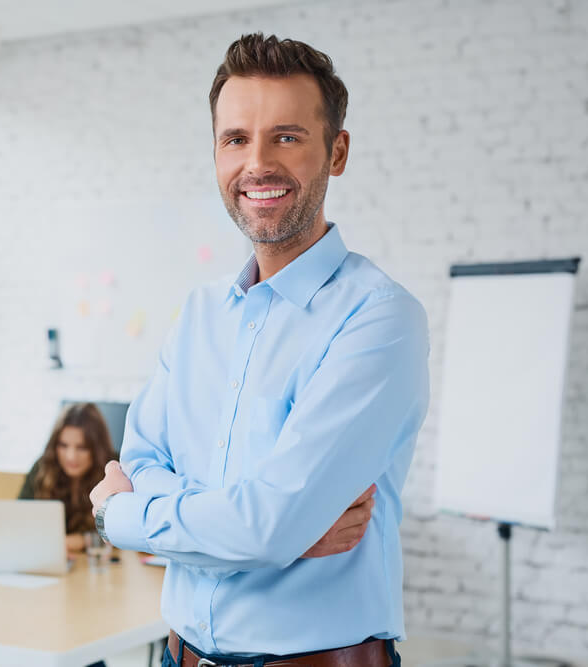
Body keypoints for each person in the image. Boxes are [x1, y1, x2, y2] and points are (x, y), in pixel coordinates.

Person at [90, 34, 429, 667]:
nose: (257, 164)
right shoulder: (197, 316)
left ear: (338, 151)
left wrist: (123, 516)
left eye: (288, 137)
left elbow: (264, 524)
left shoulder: (379, 319)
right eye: (236, 139)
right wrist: (270, 533)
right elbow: (147, 466)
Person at [19, 403, 117, 553]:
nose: (71, 456)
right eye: (63, 445)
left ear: (97, 449)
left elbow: (123, 529)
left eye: (82, 448)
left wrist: (83, 540)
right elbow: (19, 517)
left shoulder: (114, 470)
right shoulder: (43, 466)